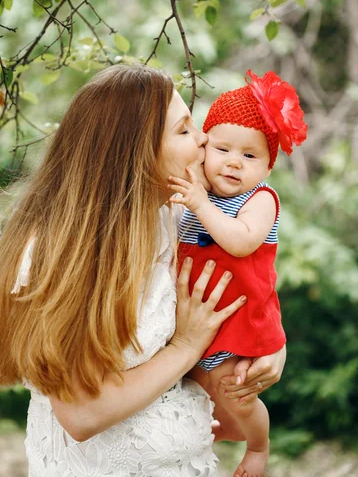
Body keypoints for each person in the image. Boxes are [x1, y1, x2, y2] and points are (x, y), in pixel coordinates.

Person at [0, 64, 286, 477]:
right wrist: (185, 347)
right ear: (137, 151)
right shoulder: (52, 253)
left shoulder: (173, 219)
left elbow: (249, 285)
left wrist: (273, 350)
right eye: (186, 130)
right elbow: (81, 415)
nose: (205, 138)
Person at [168, 70, 307, 477]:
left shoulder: (260, 199)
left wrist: (199, 203)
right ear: (204, 148)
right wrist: (197, 195)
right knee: (200, 381)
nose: (233, 162)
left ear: (267, 167)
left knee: (237, 388)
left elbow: (242, 241)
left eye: (249, 156)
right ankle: (225, 426)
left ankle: (259, 445)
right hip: (197, 315)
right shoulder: (201, 192)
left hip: (238, 314)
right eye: (223, 148)